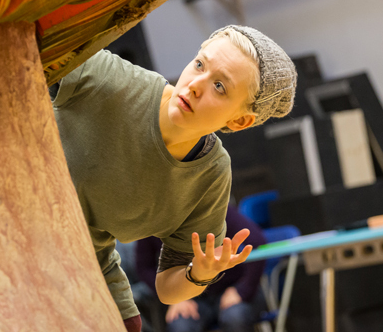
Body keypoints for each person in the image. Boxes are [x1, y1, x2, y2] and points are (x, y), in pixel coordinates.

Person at [51, 25, 296, 332]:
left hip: (83, 267)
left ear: (238, 121)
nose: (195, 85)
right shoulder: (113, 81)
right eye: (200, 65)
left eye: (220, 87)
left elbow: (169, 288)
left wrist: (199, 274)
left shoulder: (209, 175)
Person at [136, 204, 268, 332]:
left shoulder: (212, 206)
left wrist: (242, 290)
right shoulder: (155, 221)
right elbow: (144, 267)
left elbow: (257, 241)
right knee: (180, 324)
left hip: (230, 288)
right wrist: (173, 296)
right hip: (189, 294)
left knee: (235, 317)